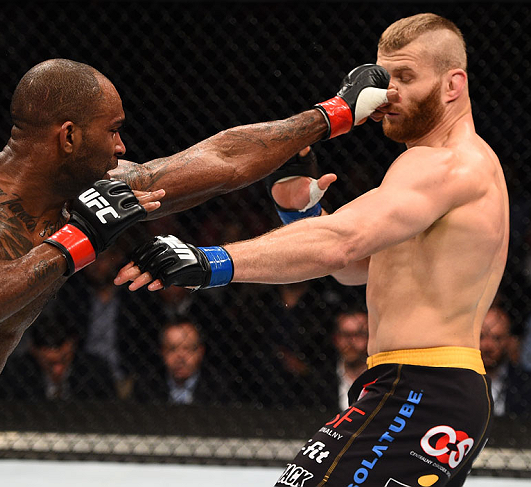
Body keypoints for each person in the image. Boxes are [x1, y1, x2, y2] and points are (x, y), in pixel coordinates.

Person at [0, 56, 391, 485]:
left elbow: (220, 162)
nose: (123, 147)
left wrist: (334, 114)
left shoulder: (86, 198)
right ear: (69, 136)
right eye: (114, 131)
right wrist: (78, 240)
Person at [118, 13, 508, 486]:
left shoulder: (446, 164)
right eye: (385, 78)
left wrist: (209, 262)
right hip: (418, 387)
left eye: (406, 77)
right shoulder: (433, 166)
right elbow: (359, 267)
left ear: (453, 84)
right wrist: (299, 216)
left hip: (422, 388)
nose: (390, 95)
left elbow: (342, 244)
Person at [0, 307, 116, 401]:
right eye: (50, 363)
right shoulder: (14, 376)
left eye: (64, 359)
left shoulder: (96, 372)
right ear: (33, 351)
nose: (58, 370)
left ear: (73, 345)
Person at [134, 318, 229, 405]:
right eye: (172, 349)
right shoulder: (147, 385)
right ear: (162, 352)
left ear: (200, 352)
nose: (180, 357)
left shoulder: (219, 386)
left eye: (187, 348)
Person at [480, 305, 531, 417]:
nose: (488, 346)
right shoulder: (460, 380)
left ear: (509, 341)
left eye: (496, 338)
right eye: (481, 337)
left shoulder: (525, 383)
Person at [331, 308, 369, 412]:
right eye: (345, 334)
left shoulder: (383, 377)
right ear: (336, 338)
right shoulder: (322, 378)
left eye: (359, 334)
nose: (351, 342)